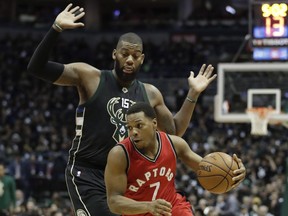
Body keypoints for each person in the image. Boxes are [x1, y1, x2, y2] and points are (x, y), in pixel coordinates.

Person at [27, 3, 218, 216]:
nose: (129, 59)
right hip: (89, 173)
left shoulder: (151, 93)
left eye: (135, 56)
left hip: (126, 175)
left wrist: (192, 95)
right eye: (124, 53)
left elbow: (173, 133)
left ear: (142, 59)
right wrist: (56, 29)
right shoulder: (90, 77)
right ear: (114, 54)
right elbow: (37, 68)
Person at [105, 102, 246, 216]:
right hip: (138, 212)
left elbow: (206, 168)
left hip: (172, 208)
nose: (133, 132)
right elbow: (113, 202)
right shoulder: (120, 154)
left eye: (139, 126)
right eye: (129, 128)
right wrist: (148, 206)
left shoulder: (174, 143)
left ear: (154, 124)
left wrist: (234, 174)